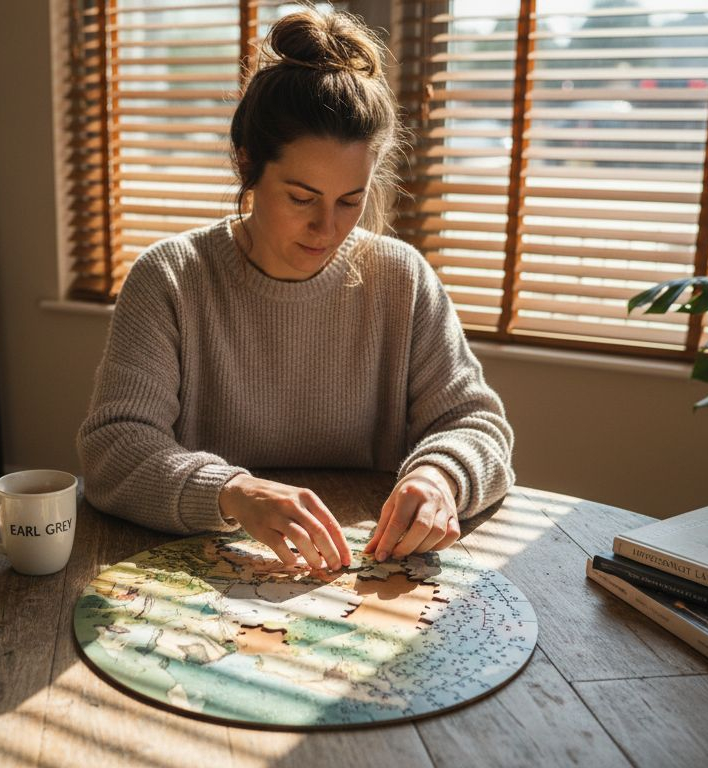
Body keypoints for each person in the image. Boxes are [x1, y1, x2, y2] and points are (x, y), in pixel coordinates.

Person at [77, 8, 514, 572]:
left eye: (350, 201)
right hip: (203, 581)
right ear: (247, 164)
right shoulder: (171, 277)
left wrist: (439, 476)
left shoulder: (401, 280)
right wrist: (232, 492)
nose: (327, 228)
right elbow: (113, 449)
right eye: (302, 198)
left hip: (362, 580)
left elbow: (476, 425)